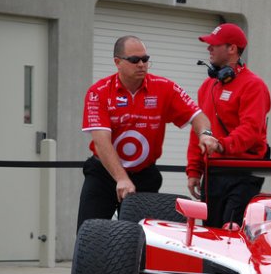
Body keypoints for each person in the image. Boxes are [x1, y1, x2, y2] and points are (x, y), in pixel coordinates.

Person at [78, 35, 218, 230]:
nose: (142, 64)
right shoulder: (98, 92)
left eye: (145, 59)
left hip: (144, 175)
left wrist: (205, 133)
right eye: (135, 60)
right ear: (117, 62)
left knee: (143, 240)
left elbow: (197, 116)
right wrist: (121, 178)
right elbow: (102, 142)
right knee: (89, 233)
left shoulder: (165, 88)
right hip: (104, 174)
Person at [186, 23, 271, 228]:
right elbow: (197, 130)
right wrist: (194, 171)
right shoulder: (207, 86)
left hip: (244, 173)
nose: (209, 49)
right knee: (211, 233)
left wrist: (221, 145)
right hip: (213, 172)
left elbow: (250, 129)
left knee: (232, 232)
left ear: (232, 49)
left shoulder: (254, 85)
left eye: (214, 45)